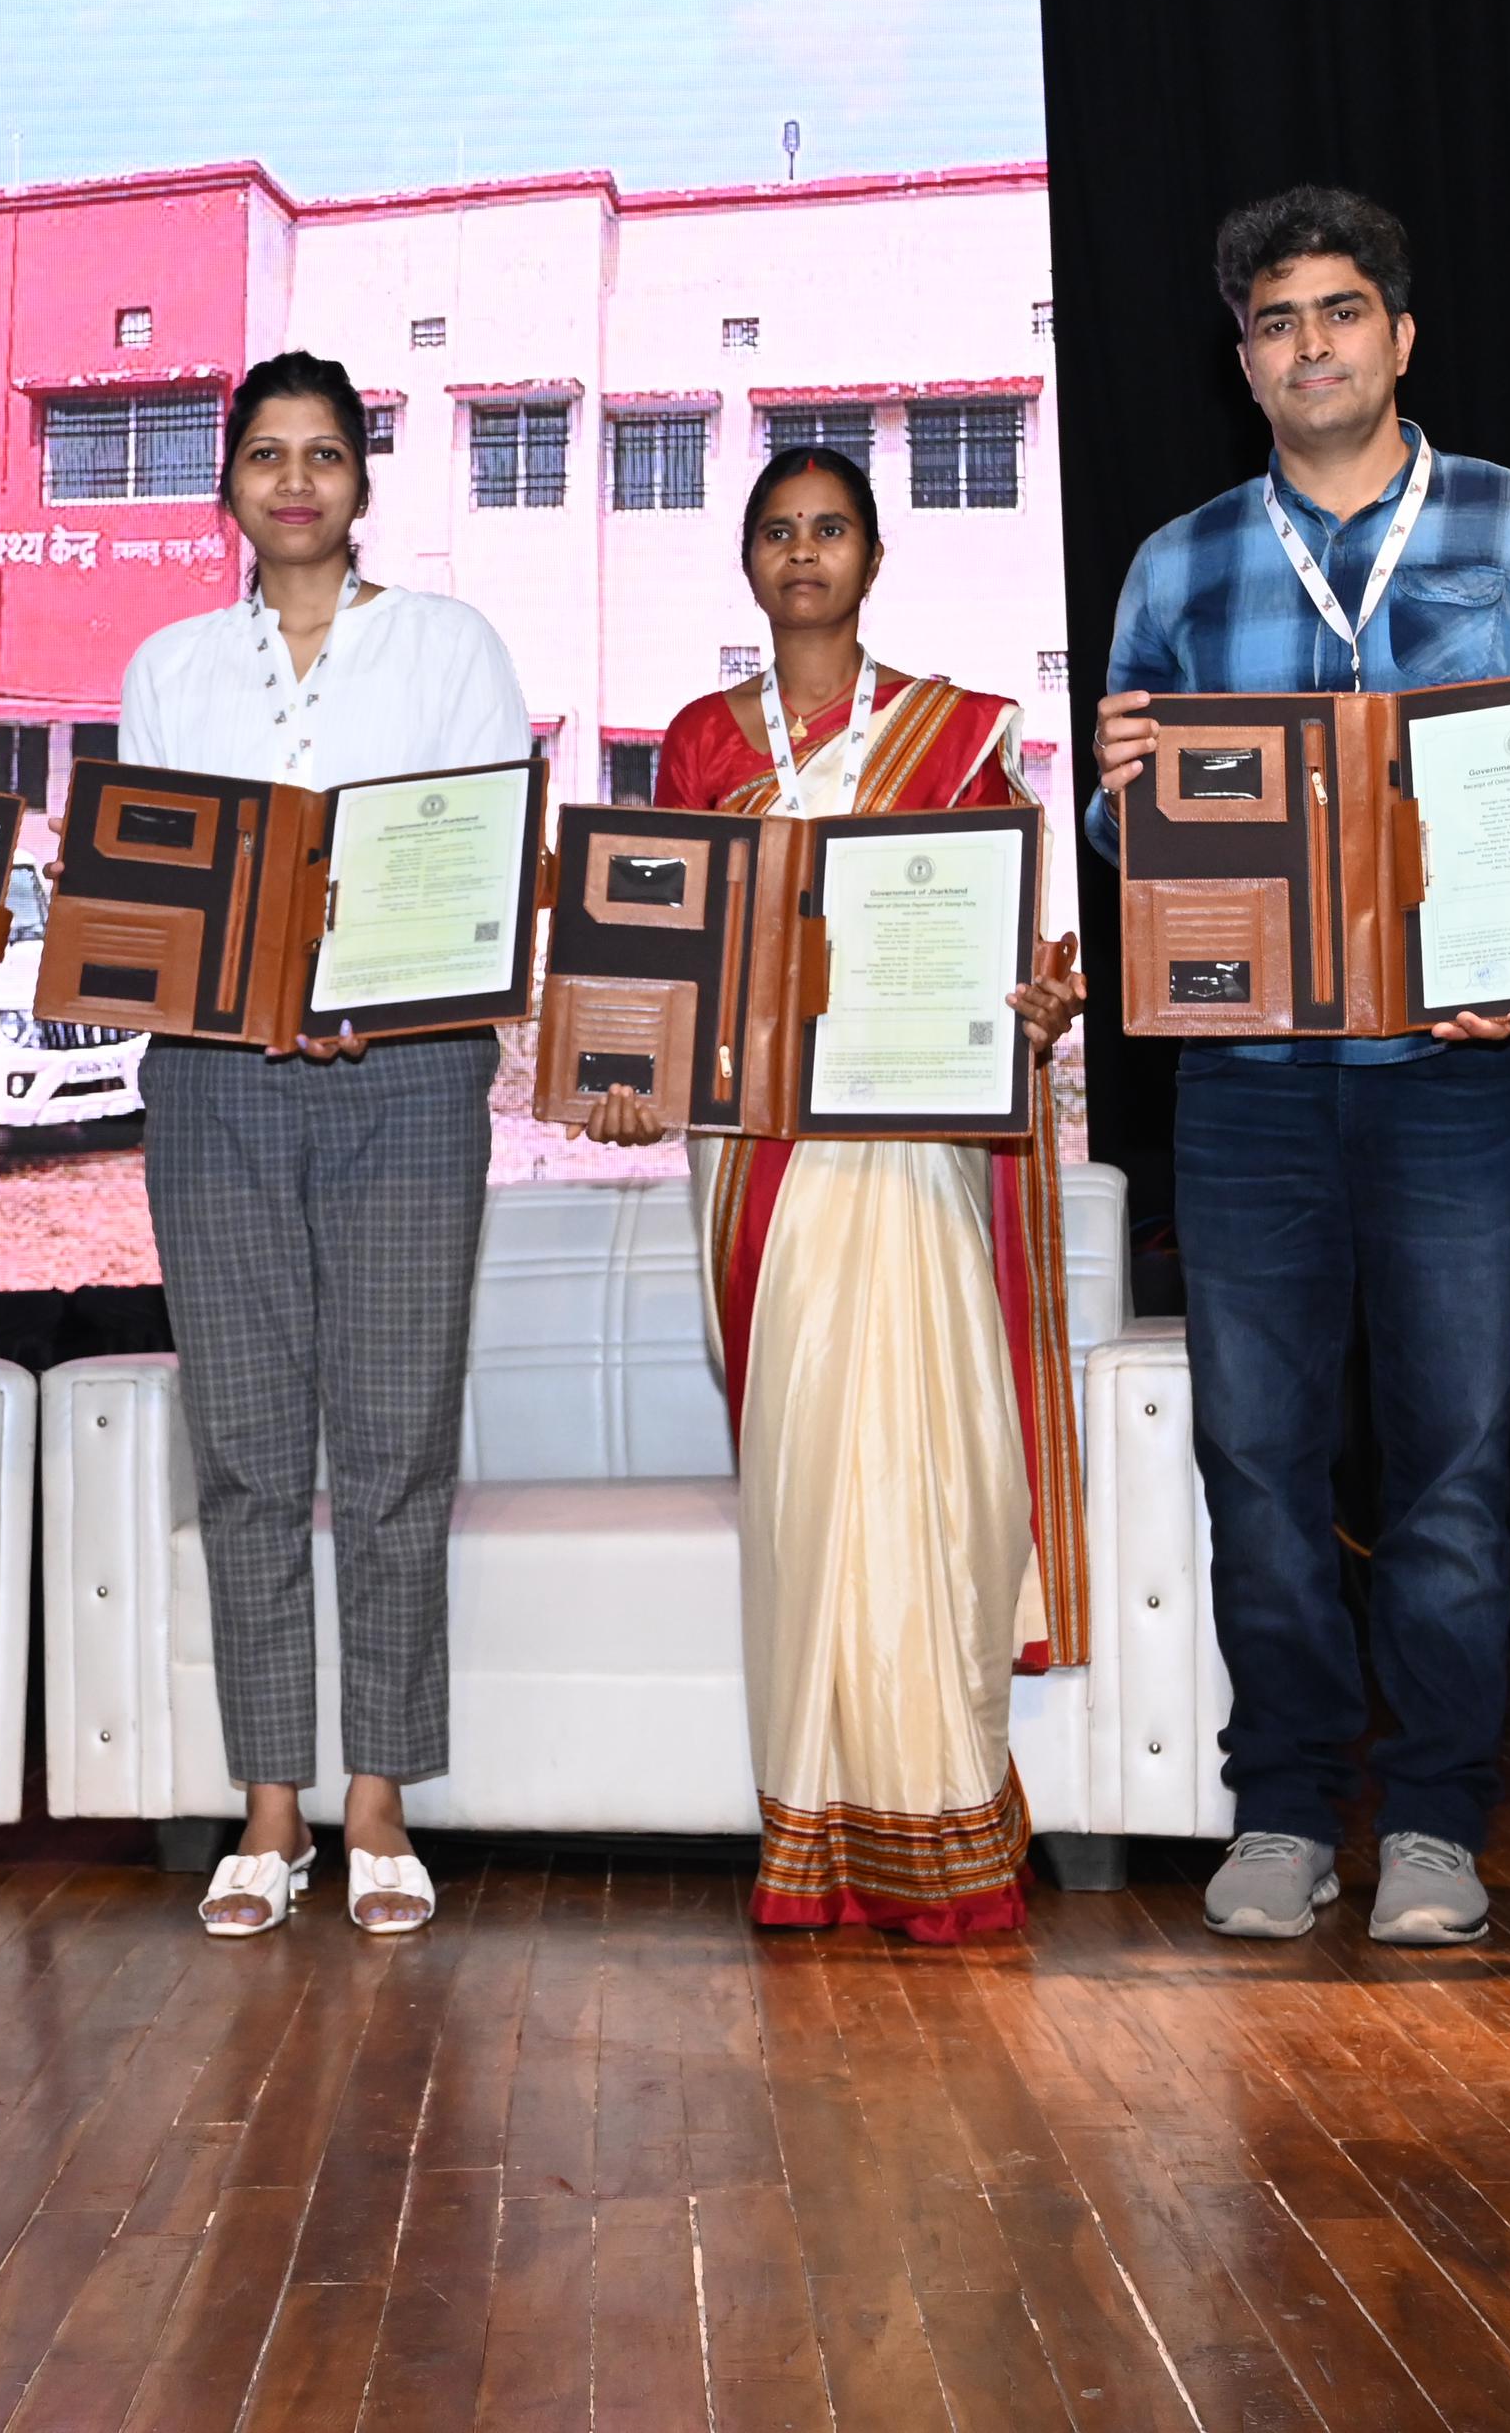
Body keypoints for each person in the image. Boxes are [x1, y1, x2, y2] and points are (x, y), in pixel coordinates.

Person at [1085, 186, 1510, 1946]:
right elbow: (1126, 837)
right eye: (1272, 322)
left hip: (1459, 1072)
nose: (1308, 345)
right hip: (1246, 1081)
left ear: (1402, 334)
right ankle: (1291, 1804)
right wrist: (1127, 786)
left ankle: (1444, 1822)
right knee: (1259, 1452)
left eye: (1338, 312)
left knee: (1453, 1459)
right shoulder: (1177, 562)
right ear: (1240, 360)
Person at [573, 446, 1090, 1940]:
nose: (805, 553)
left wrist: (1035, 1013)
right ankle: (811, 1842)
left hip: (913, 1150)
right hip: (759, 1162)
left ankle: (942, 1839)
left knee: (924, 1474)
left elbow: (1005, 954)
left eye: (831, 530)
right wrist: (624, 1069)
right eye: (779, 532)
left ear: (873, 560)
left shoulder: (958, 734)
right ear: (747, 563)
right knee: (808, 1490)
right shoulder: (692, 744)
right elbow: (655, 960)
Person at [119, 351, 530, 1937]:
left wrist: (388, 982)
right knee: (242, 1448)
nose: (295, 482)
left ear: (364, 485)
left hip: (410, 1078)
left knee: (397, 1445)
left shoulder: (449, 649)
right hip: (217, 1084)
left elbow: (484, 862)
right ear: (228, 484)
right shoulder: (169, 668)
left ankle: (380, 1799)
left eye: (324, 456)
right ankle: (271, 1802)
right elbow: (162, 894)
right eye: (266, 456)